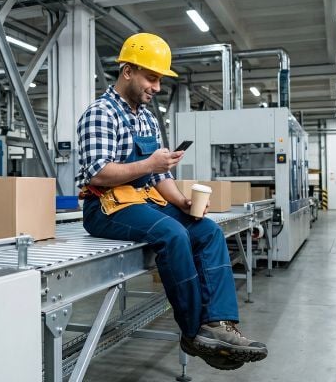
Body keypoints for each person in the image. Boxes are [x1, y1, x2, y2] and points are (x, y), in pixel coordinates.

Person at [76, 33, 268, 370]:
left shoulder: (148, 118)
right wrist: (152, 164)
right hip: (105, 207)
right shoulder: (100, 113)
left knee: (206, 231)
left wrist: (181, 201)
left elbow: (157, 177)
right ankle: (194, 331)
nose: (157, 87)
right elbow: (98, 174)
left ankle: (219, 324)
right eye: (151, 78)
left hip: (143, 201)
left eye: (159, 80)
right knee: (173, 235)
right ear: (127, 71)